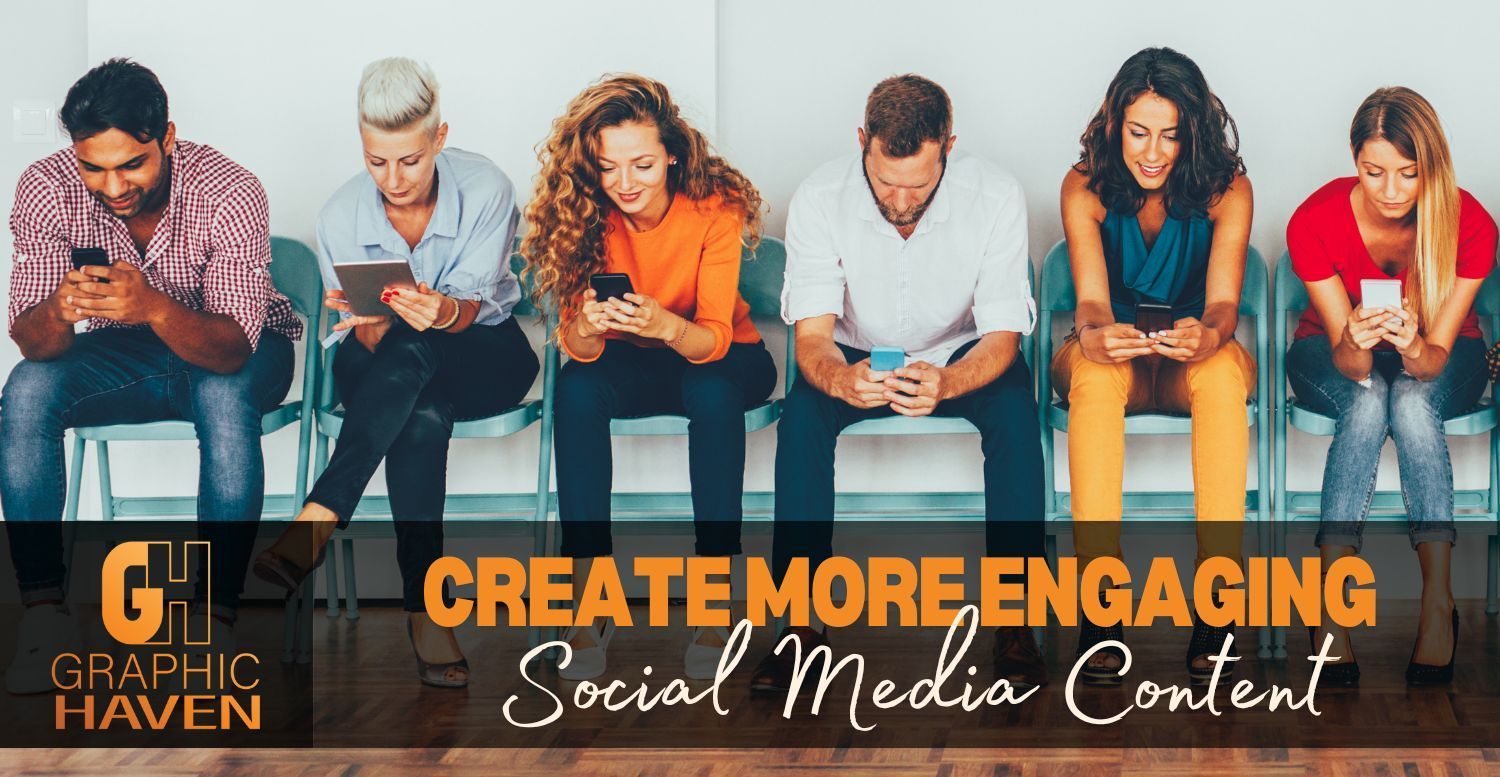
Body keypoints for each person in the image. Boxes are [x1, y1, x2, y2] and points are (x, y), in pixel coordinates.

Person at [0, 59, 301, 692]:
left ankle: (213, 619)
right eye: (94, 167)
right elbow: (32, 345)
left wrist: (156, 305)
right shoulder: (46, 188)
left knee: (221, 394)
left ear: (167, 137)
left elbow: (230, 351)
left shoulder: (230, 189)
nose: (112, 186)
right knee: (25, 394)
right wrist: (57, 308)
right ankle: (45, 615)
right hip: (129, 353)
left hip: (241, 346)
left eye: (131, 163)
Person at [749, 75, 1045, 693]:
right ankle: (802, 627)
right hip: (852, 349)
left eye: (920, 183)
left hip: (963, 350)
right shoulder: (819, 195)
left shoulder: (994, 194)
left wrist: (948, 380)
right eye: (886, 181)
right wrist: (838, 378)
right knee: (801, 422)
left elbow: (1002, 337)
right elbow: (810, 340)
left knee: (1017, 417)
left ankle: (1014, 621)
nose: (903, 199)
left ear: (949, 147)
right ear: (863, 141)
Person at [252, 58, 537, 688]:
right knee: (421, 409)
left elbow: (471, 312)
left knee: (421, 350)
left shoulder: (487, 188)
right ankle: (426, 611)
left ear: (438, 137)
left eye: (409, 159)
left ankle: (319, 516)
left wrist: (438, 310)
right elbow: (375, 339)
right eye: (376, 160)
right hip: (388, 363)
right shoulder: (339, 216)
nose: (394, 177)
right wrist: (375, 320)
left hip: (482, 349)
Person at [524, 74, 775, 681]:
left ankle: (715, 598)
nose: (625, 184)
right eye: (609, 168)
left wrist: (663, 322)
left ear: (672, 154)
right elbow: (578, 351)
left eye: (641, 164)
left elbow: (713, 334)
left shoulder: (715, 208)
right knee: (577, 393)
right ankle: (590, 596)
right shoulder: (579, 211)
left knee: (714, 392)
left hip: (719, 352)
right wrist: (585, 320)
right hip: (629, 357)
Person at [1053, 47, 1254, 685]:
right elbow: (1088, 300)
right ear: (1114, 126)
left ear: (1195, 130)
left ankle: (1217, 606)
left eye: (1171, 134)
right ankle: (1101, 605)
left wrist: (1209, 335)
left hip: (1190, 352)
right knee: (1093, 377)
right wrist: (1093, 334)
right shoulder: (1082, 185)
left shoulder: (1229, 190)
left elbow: (1224, 305)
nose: (1153, 151)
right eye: (1139, 132)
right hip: (1109, 350)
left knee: (1223, 375)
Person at [1287, 87, 1495, 687]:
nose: (1392, 191)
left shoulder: (1471, 223)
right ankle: (1331, 599)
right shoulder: (1314, 220)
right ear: (1354, 161)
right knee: (1368, 394)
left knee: (1405, 394)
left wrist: (1409, 345)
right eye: (1373, 172)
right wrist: (1355, 336)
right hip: (1331, 351)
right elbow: (1349, 364)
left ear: (1433, 166)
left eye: (1410, 173)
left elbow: (1429, 364)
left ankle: (1437, 600)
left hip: (1443, 354)